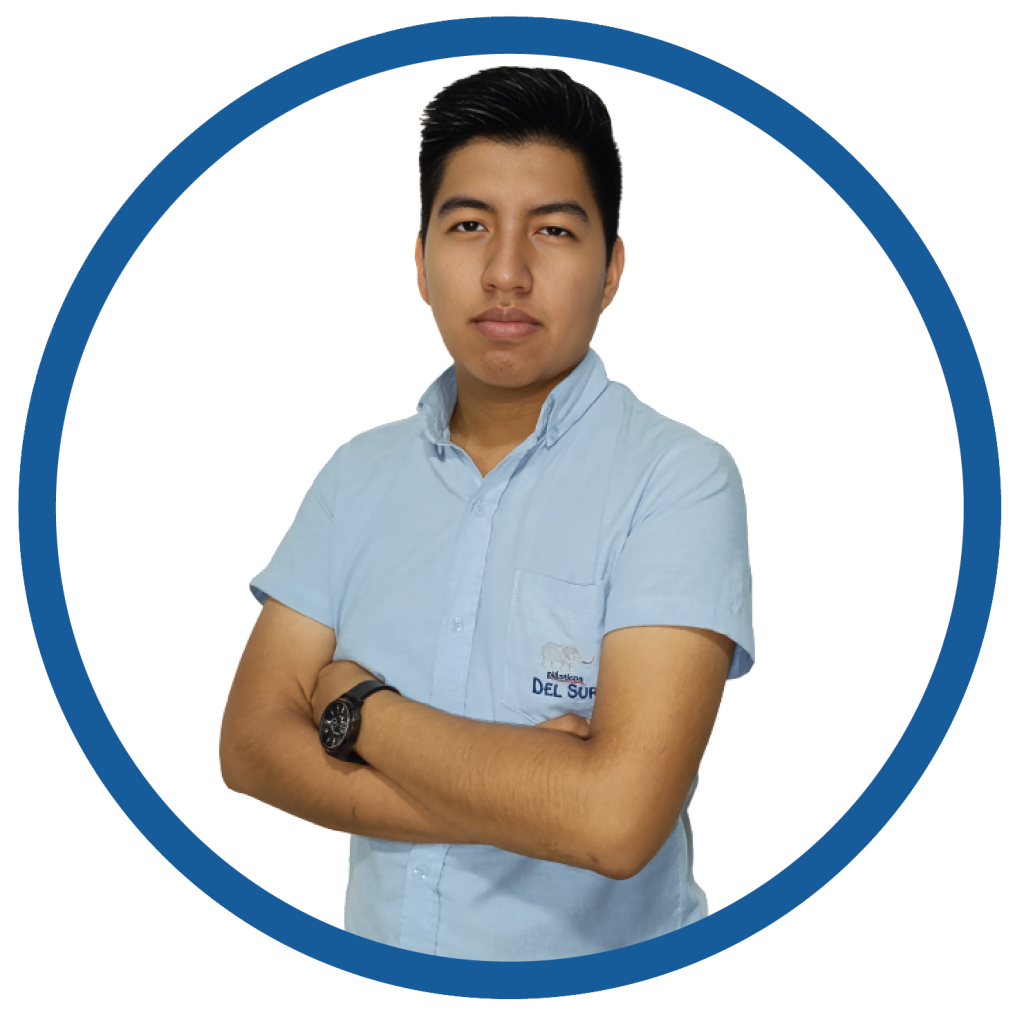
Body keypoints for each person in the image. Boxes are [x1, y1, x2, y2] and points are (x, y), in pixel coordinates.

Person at [220, 65, 754, 961]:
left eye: (553, 230)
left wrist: (358, 708)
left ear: (612, 269)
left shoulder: (678, 480)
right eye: (469, 226)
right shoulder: (357, 475)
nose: (507, 272)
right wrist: (539, 797)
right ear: (421, 262)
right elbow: (249, 747)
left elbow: (617, 825)